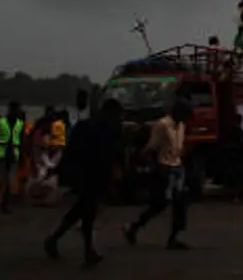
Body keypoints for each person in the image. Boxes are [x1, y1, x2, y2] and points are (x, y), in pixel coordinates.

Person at [45, 98, 123, 267]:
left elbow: (70, 150)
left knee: (82, 210)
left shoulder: (85, 125)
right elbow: (113, 155)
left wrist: (59, 169)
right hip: (95, 174)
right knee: (87, 212)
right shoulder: (111, 129)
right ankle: (86, 251)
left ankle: (57, 240)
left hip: (83, 174)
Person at [122, 100, 191, 250]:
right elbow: (151, 147)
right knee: (161, 203)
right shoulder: (162, 125)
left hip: (177, 166)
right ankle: (134, 227)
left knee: (179, 203)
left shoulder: (181, 125)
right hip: (164, 166)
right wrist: (151, 166)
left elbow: (179, 146)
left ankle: (173, 237)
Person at [0, 102, 25, 213]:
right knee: (1, 180)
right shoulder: (6, 122)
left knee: (6, 181)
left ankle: (1, 203)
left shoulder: (17, 123)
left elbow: (21, 140)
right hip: (5, 153)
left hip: (10, 154)